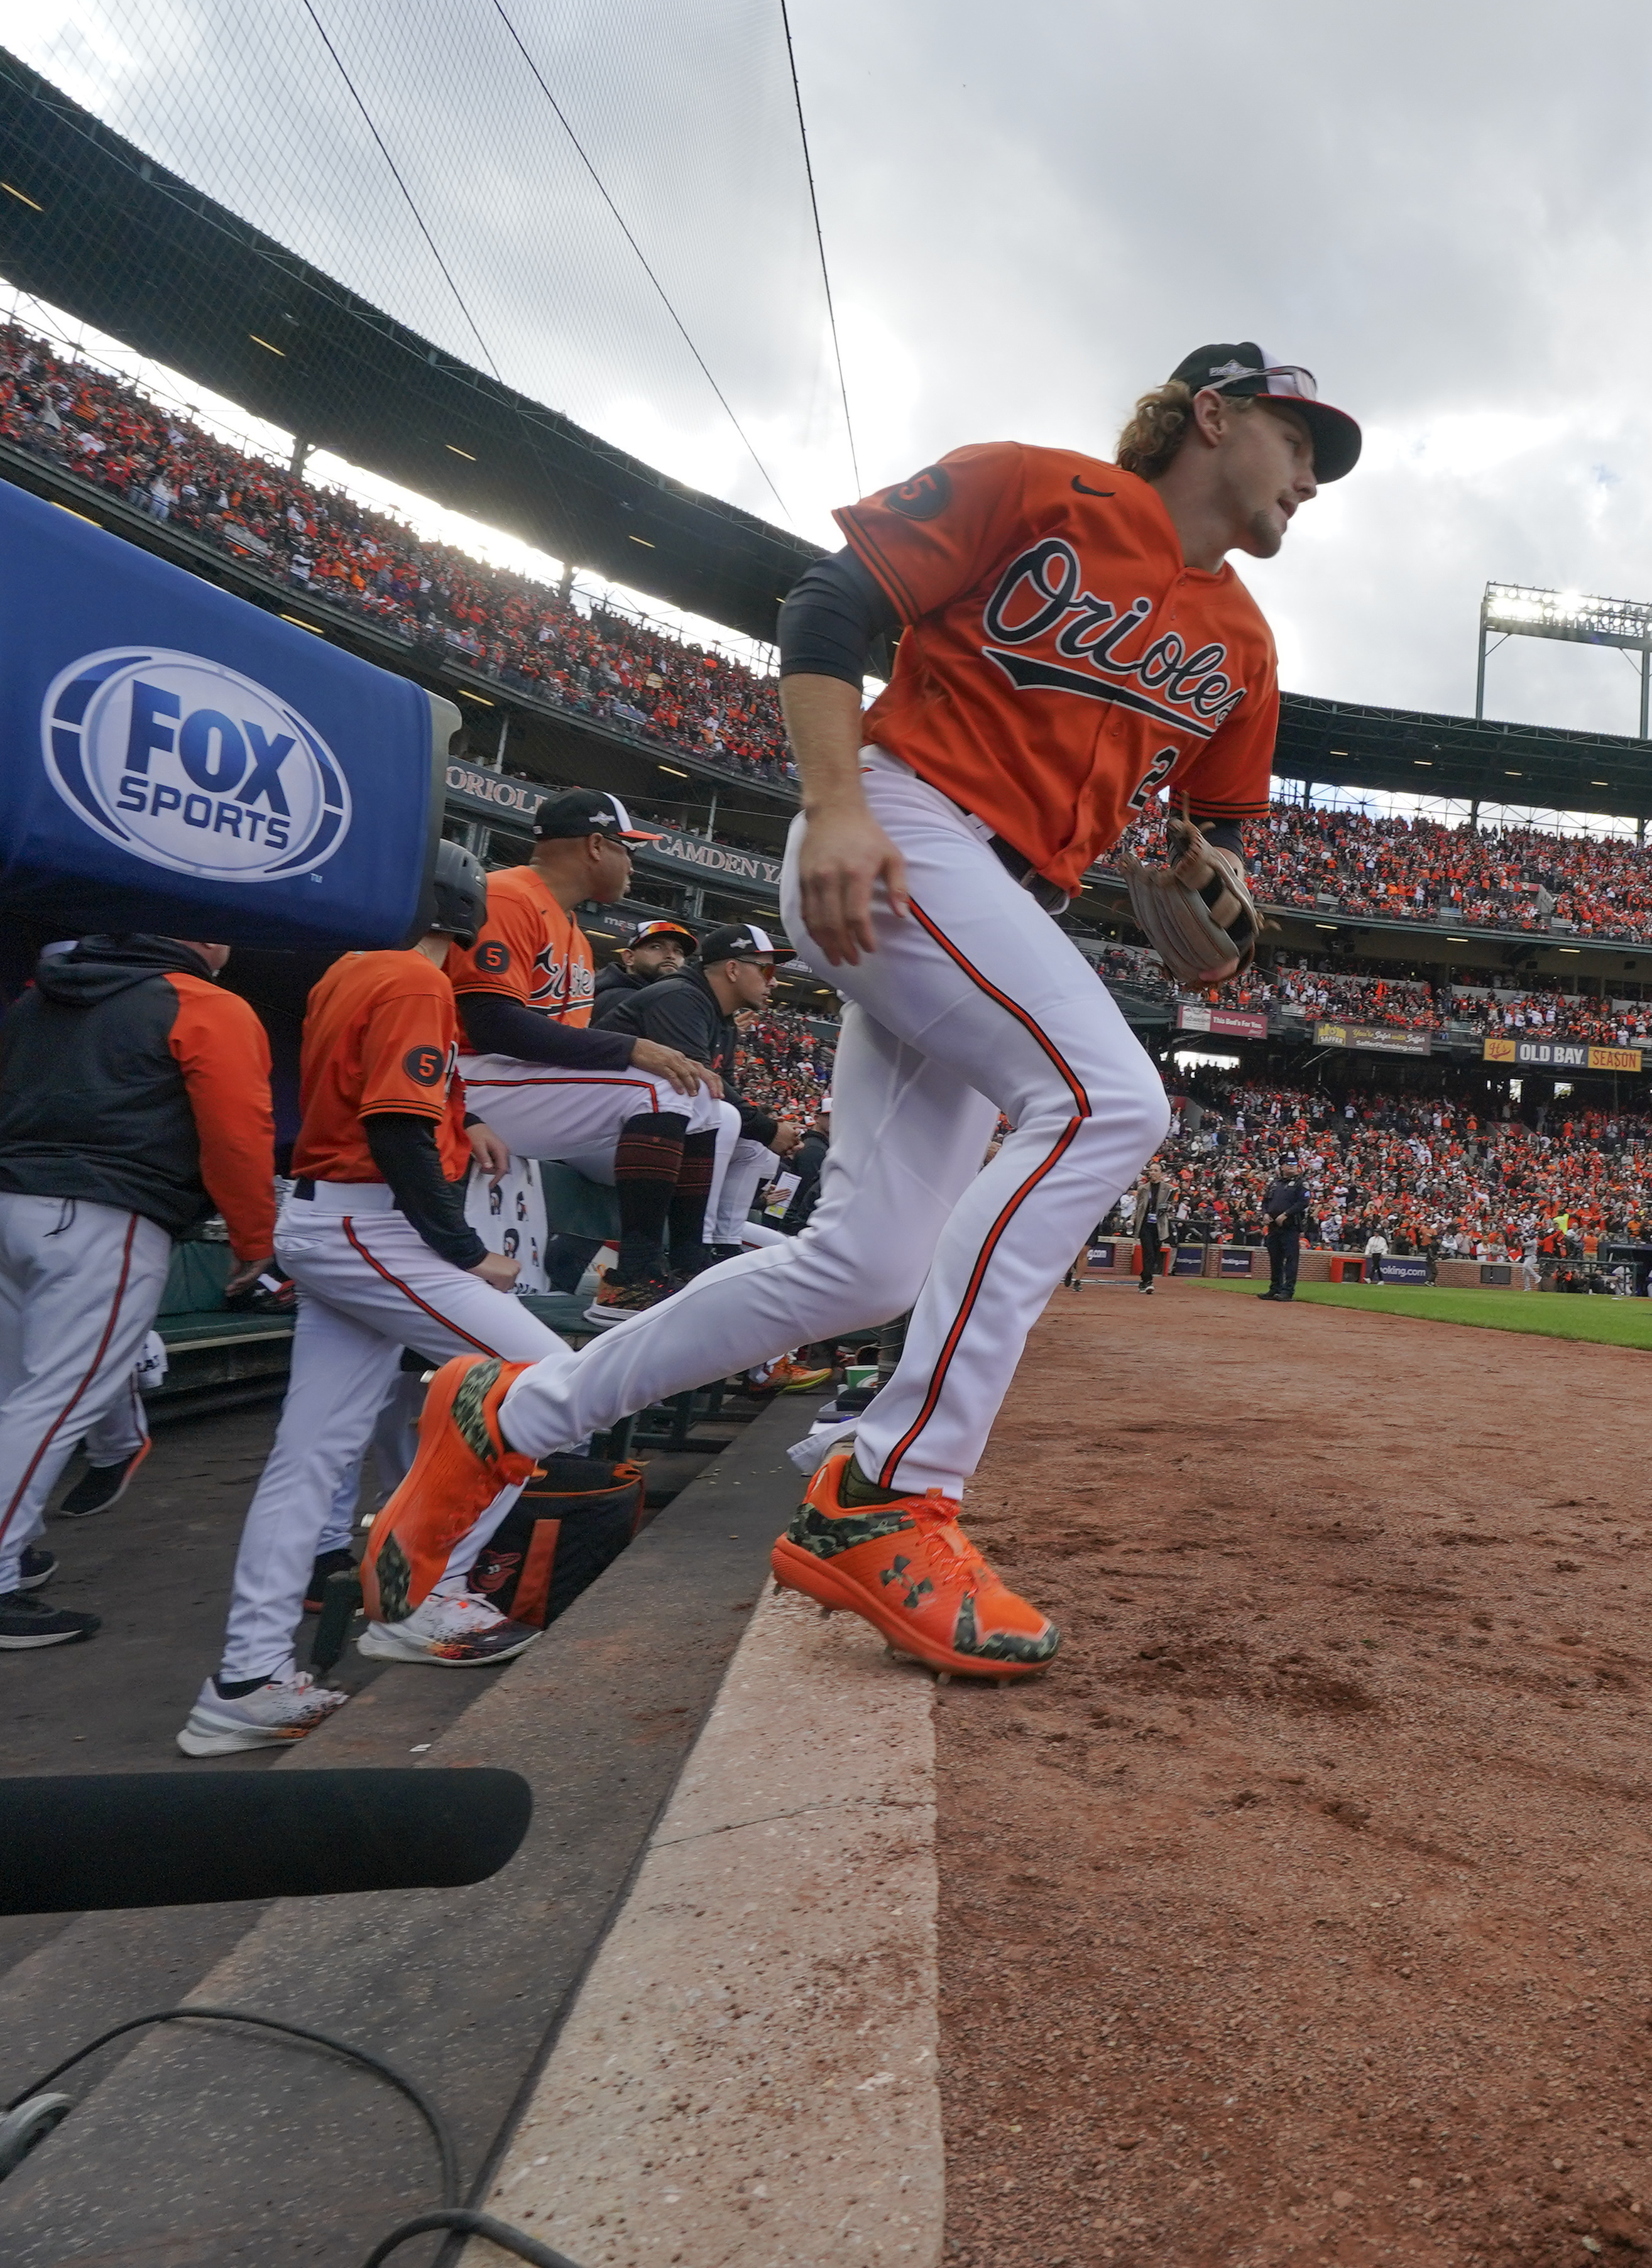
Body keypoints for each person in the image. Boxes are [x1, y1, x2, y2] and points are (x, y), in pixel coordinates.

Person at [362, 341, 1349, 1682]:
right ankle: (891, 1492)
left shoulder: (1245, 642)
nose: (1312, 475)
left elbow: (1218, 843)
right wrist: (832, 803)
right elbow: (831, 603)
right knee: (1110, 1102)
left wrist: (1200, 887)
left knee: (870, 1263)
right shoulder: (1039, 488)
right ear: (1214, 414)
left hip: (1005, 896)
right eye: (1300, 440)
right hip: (901, 827)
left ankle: (516, 1409)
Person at [178, 846, 575, 1755]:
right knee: (547, 1384)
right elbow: (393, 1126)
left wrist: (464, 1117)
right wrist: (466, 1251)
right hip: (369, 1220)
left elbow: (407, 1096)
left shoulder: (353, 969)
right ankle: (427, 1597)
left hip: (331, 1217)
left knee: (309, 1456)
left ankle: (244, 1680)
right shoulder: (411, 980)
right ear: (465, 914)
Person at [0, 929, 278, 1651]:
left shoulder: (39, 997)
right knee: (54, 1400)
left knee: (4, 1394)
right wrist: (254, 1239)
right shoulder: (204, 1002)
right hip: (98, 1211)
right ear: (203, 936)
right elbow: (239, 1133)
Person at [446, 792, 732, 1326]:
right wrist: (630, 1049)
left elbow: (561, 1051)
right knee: (660, 1086)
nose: (633, 864)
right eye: (629, 849)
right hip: (468, 1079)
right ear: (597, 845)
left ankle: (686, 1263)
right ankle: (632, 1278)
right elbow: (491, 1021)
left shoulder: (573, 931)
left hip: (522, 1088)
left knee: (710, 1108)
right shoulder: (509, 896)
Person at [594, 921, 795, 1245]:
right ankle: (692, 1247)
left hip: (645, 1132)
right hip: (598, 1131)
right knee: (722, 1115)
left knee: (755, 1148)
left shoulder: (722, 1018)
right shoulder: (679, 997)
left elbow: (723, 1084)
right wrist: (768, 1128)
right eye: (766, 972)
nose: (773, 984)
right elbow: (704, 1085)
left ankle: (721, 1244)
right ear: (732, 969)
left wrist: (765, 1130)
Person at [592, 917, 697, 1007]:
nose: (671, 956)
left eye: (678, 951)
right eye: (656, 947)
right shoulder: (620, 999)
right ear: (629, 958)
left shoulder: (664, 997)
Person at [1262, 1161, 1310, 1300]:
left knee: (1291, 1259)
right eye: (1288, 1165)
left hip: (1290, 1226)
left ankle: (1288, 1291)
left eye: (1294, 1165)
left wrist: (1286, 1214)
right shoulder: (1276, 1183)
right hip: (1273, 1226)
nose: (1292, 1167)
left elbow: (1304, 1202)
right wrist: (1265, 1214)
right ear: (1282, 1167)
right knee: (1275, 1259)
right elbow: (1265, 1201)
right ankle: (1275, 1288)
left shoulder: (1301, 1183)